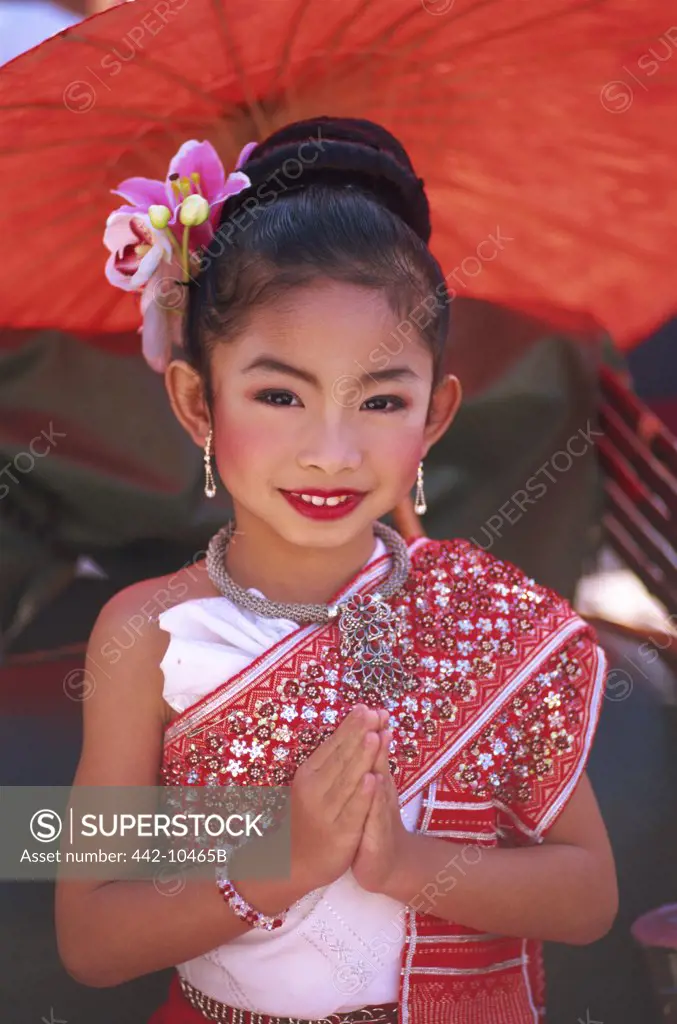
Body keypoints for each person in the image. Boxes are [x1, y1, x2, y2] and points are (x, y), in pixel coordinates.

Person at [54, 116, 618, 1024]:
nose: (331, 451)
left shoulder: (483, 619)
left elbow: (588, 897)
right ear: (198, 399)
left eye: (381, 399)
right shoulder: (144, 634)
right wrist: (281, 854)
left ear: (432, 419)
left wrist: (401, 865)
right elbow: (87, 935)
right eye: (279, 394)